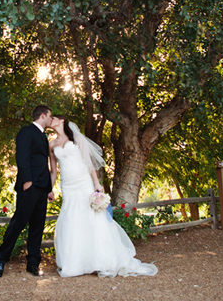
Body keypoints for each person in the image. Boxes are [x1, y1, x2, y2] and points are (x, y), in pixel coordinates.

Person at [49, 115, 158, 278]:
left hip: (83, 182)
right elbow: (54, 170)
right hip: (67, 186)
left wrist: (96, 183)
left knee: (92, 218)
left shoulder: (77, 139)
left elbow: (89, 163)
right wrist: (50, 189)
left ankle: (99, 260)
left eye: (53, 118)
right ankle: (76, 261)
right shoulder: (51, 144)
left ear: (62, 121)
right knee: (70, 218)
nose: (50, 120)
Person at [0, 105, 55, 277]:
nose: (51, 119)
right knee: (18, 224)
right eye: (50, 116)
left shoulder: (44, 136)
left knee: (37, 227)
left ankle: (33, 263)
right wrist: (27, 180)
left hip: (42, 189)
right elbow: (21, 156)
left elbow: (44, 164)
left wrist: (49, 189)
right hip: (29, 186)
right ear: (42, 115)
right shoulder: (26, 131)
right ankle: (0, 260)